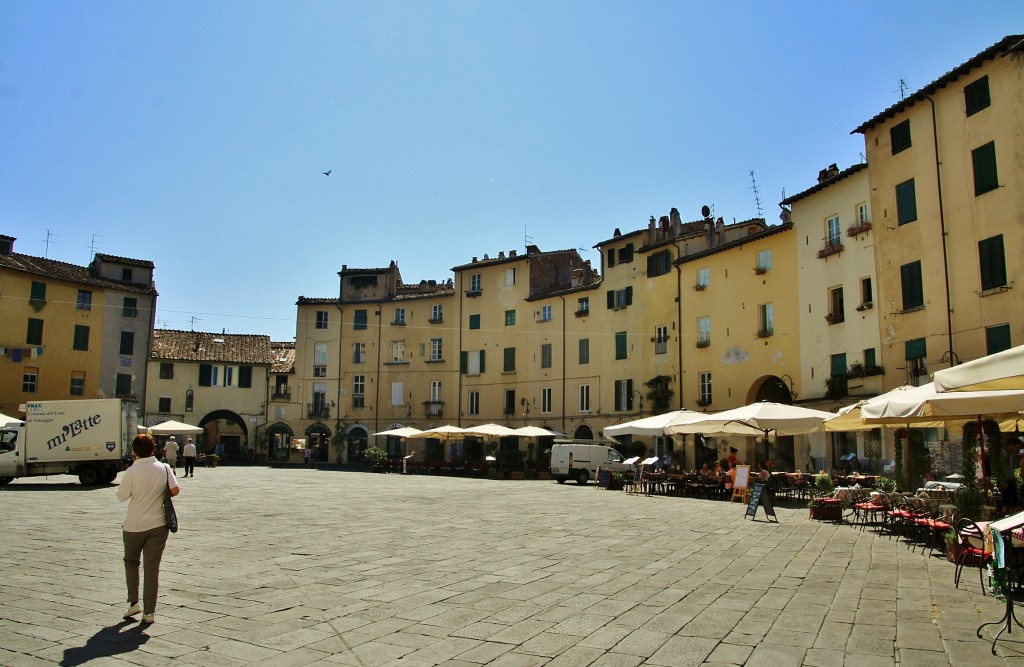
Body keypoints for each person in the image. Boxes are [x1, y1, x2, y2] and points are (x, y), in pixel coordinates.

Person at [116, 434, 179, 624]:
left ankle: (133, 602)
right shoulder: (164, 468)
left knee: (131, 562)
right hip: (159, 525)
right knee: (152, 570)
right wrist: (158, 492)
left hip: (134, 525)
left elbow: (121, 496)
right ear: (154, 449)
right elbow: (175, 490)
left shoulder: (131, 471)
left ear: (134, 451)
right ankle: (149, 612)